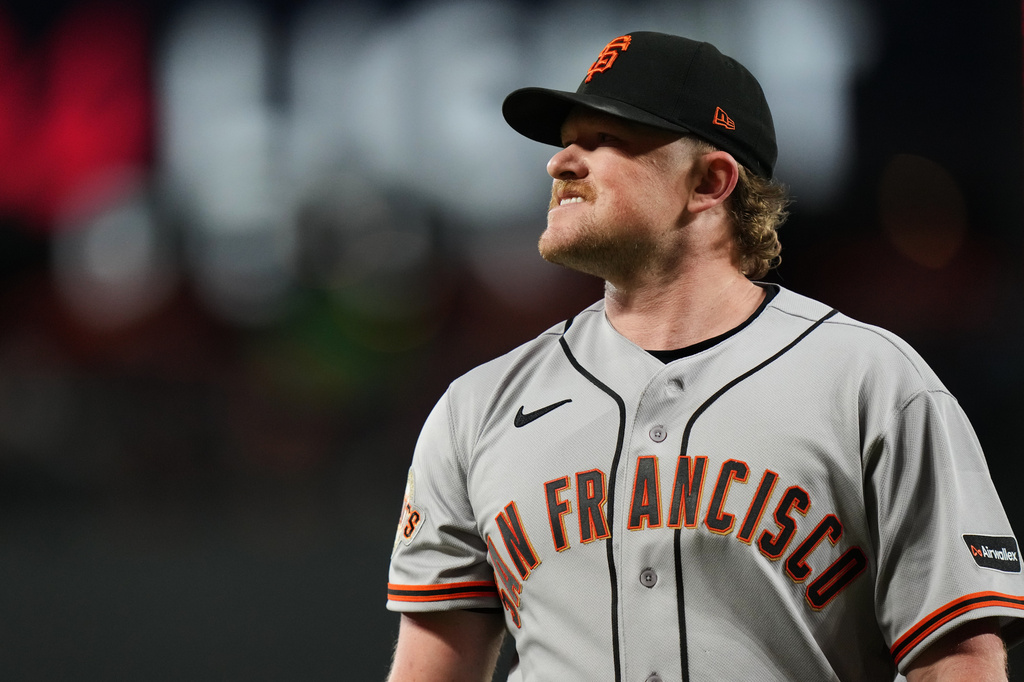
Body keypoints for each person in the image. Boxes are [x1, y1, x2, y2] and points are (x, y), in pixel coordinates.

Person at [384, 31, 1024, 681]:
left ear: (710, 181)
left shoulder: (870, 383)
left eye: (605, 140)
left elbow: (960, 658)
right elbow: (431, 667)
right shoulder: (477, 407)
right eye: (565, 140)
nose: (561, 163)